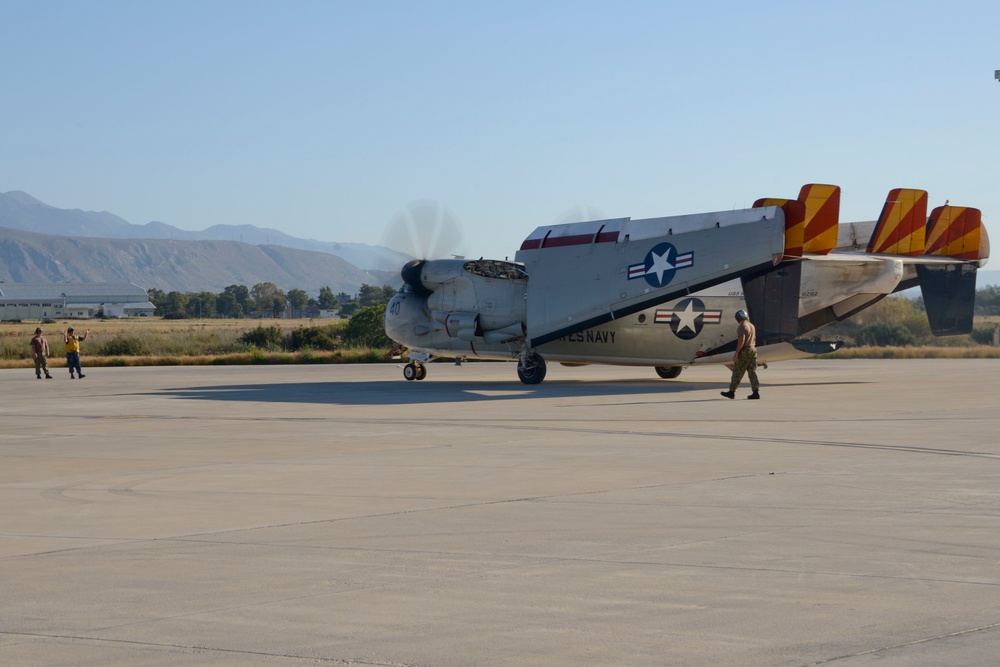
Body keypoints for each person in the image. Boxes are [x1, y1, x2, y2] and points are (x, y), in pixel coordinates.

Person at [721, 309, 760, 400]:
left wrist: (736, 353)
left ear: (738, 318)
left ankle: (731, 392)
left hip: (746, 350)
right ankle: (756, 392)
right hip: (753, 349)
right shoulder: (751, 325)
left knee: (738, 371)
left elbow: (741, 340)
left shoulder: (742, 326)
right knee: (752, 371)